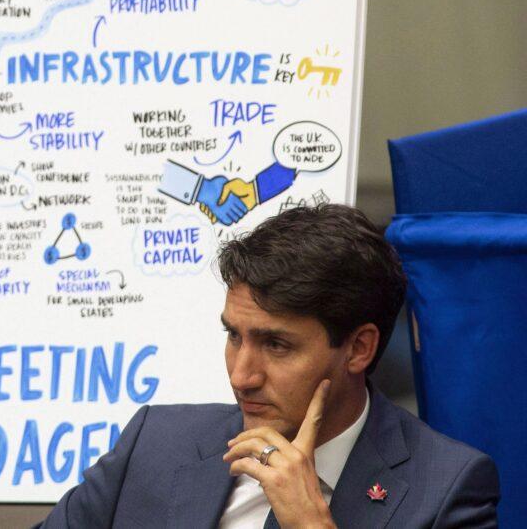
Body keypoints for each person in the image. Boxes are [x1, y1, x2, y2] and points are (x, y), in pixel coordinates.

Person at [43, 204, 499, 528]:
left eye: (276, 345)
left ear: (359, 349)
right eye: (233, 335)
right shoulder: (154, 443)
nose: (242, 376)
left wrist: (309, 523)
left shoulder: (445, 491)